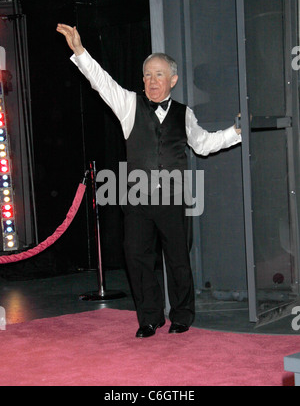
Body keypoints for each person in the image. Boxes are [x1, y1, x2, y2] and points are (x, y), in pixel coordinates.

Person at [57, 24, 242, 338]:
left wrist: (235, 132)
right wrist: (80, 51)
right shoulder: (129, 104)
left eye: (158, 75)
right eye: (146, 74)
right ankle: (149, 318)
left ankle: (181, 316)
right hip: (137, 200)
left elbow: (204, 144)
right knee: (137, 258)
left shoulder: (185, 114)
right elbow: (100, 81)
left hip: (173, 198)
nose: (151, 81)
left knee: (178, 260)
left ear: (172, 80)